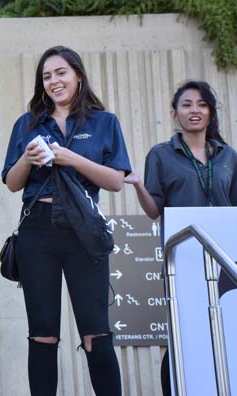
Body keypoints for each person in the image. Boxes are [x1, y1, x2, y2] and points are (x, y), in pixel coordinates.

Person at [2, 46, 131, 396]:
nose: (54, 81)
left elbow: (116, 180)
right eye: (47, 76)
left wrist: (71, 158)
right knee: (42, 332)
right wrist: (27, 159)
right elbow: (13, 183)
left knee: (96, 331)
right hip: (37, 230)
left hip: (84, 230)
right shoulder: (26, 124)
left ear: (77, 75)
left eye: (60, 73)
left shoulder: (104, 123)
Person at [124, 80, 237, 395]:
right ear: (174, 113)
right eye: (187, 104)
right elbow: (153, 210)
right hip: (183, 257)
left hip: (227, 256)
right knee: (185, 329)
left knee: (227, 326)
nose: (195, 110)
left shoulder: (229, 156)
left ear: (211, 112)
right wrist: (136, 186)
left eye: (202, 104)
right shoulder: (161, 155)